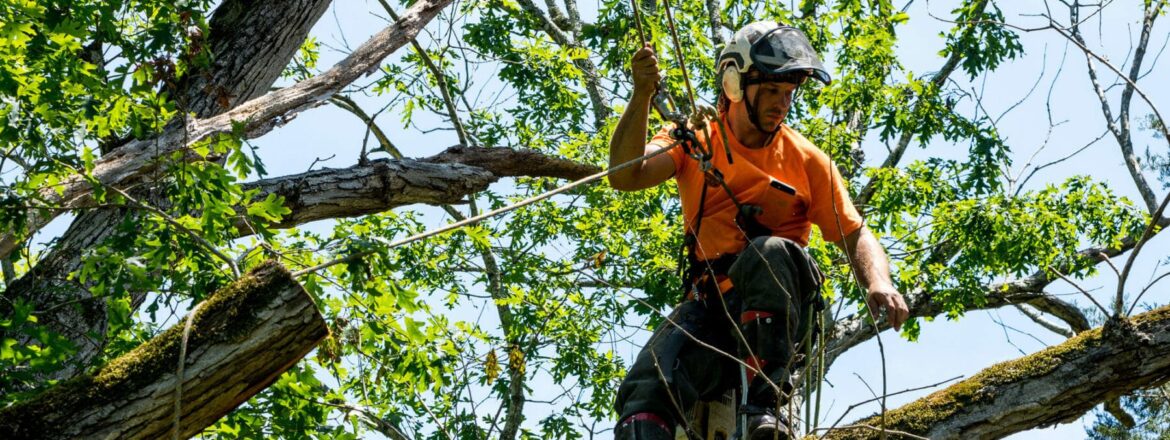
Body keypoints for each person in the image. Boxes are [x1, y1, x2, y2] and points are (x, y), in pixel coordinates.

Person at [608, 21, 910, 440]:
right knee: (646, 387)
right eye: (771, 90)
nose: (782, 103)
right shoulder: (698, 138)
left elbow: (855, 232)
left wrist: (879, 282)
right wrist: (642, 96)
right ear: (734, 83)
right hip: (713, 308)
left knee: (768, 252)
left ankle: (768, 411)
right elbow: (627, 175)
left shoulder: (808, 160)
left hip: (779, 316)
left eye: (789, 93)